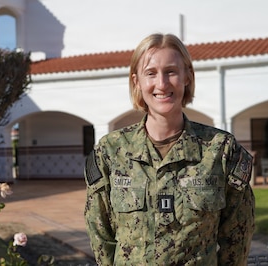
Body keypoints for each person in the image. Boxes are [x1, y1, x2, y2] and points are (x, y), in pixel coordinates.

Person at [84, 33, 255, 265]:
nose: (162, 84)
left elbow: (237, 238)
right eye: (151, 73)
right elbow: (100, 234)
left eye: (171, 71)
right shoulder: (111, 152)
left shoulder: (221, 151)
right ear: (137, 82)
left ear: (187, 76)